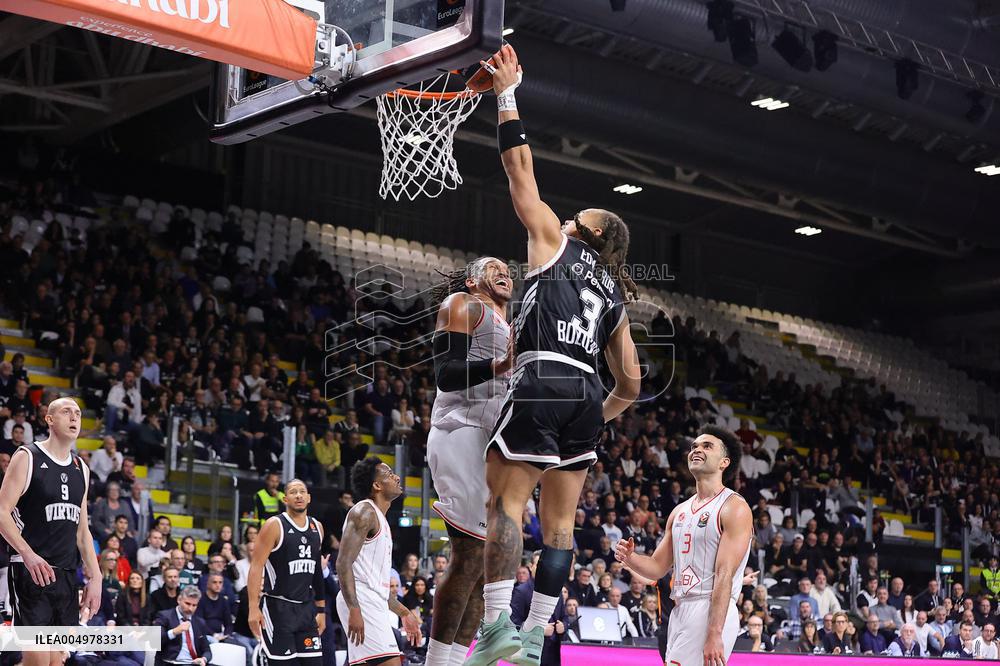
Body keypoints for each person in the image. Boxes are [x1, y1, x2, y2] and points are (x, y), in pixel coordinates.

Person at [465, 43, 641, 666]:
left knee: (504, 503)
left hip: (545, 375)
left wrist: (506, 93)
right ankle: (535, 635)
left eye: (576, 217)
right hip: (588, 396)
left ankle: (494, 629)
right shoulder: (615, 292)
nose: (564, 217)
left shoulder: (552, 242)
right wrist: (599, 416)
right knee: (561, 528)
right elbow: (633, 383)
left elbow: (519, 172)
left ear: (585, 234)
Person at [424, 255, 514, 666]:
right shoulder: (463, 305)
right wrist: (500, 365)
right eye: (494, 267)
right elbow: (445, 372)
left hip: (491, 440)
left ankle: (458, 661)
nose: (505, 273)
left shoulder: (511, 327)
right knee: (467, 555)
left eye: (508, 270)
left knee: (484, 565)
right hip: (459, 429)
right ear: (474, 278)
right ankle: (436, 660)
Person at [615, 427, 752, 666]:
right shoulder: (679, 511)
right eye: (694, 446)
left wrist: (714, 632)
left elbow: (724, 574)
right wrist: (630, 557)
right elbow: (657, 567)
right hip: (680, 610)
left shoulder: (734, 507)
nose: (697, 450)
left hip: (710, 607)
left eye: (707, 446)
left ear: (724, 463)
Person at [0, 396, 102, 657]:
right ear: (49, 419)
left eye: (78, 414)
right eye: (67, 412)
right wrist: (27, 554)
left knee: (57, 660)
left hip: (67, 577)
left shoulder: (82, 468)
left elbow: (82, 531)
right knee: (37, 658)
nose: (74, 418)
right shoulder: (27, 456)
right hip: (32, 573)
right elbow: (1, 513)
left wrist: (96, 576)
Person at [335, 459, 422, 666]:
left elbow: (378, 587)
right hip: (361, 601)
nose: (397, 477)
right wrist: (355, 610)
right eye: (390, 474)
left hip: (370, 600)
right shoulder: (364, 512)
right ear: (377, 485)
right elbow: (342, 564)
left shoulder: (381, 519)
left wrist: (404, 613)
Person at [247, 479, 325, 665]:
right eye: (293, 492)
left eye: (302, 491)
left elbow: (317, 572)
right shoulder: (274, 525)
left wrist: (321, 609)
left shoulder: (317, 527)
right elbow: (256, 566)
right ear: (285, 499)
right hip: (277, 609)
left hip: (305, 610)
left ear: (309, 498)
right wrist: (253, 607)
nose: (298, 495)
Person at [154, 585, 212, 666]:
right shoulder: (164, 616)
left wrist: (203, 659)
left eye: (194, 605)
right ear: (179, 600)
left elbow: (207, 650)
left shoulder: (199, 622)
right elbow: (155, 641)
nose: (190, 609)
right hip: (172, 662)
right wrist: (174, 632)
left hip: (194, 663)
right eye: (187, 604)